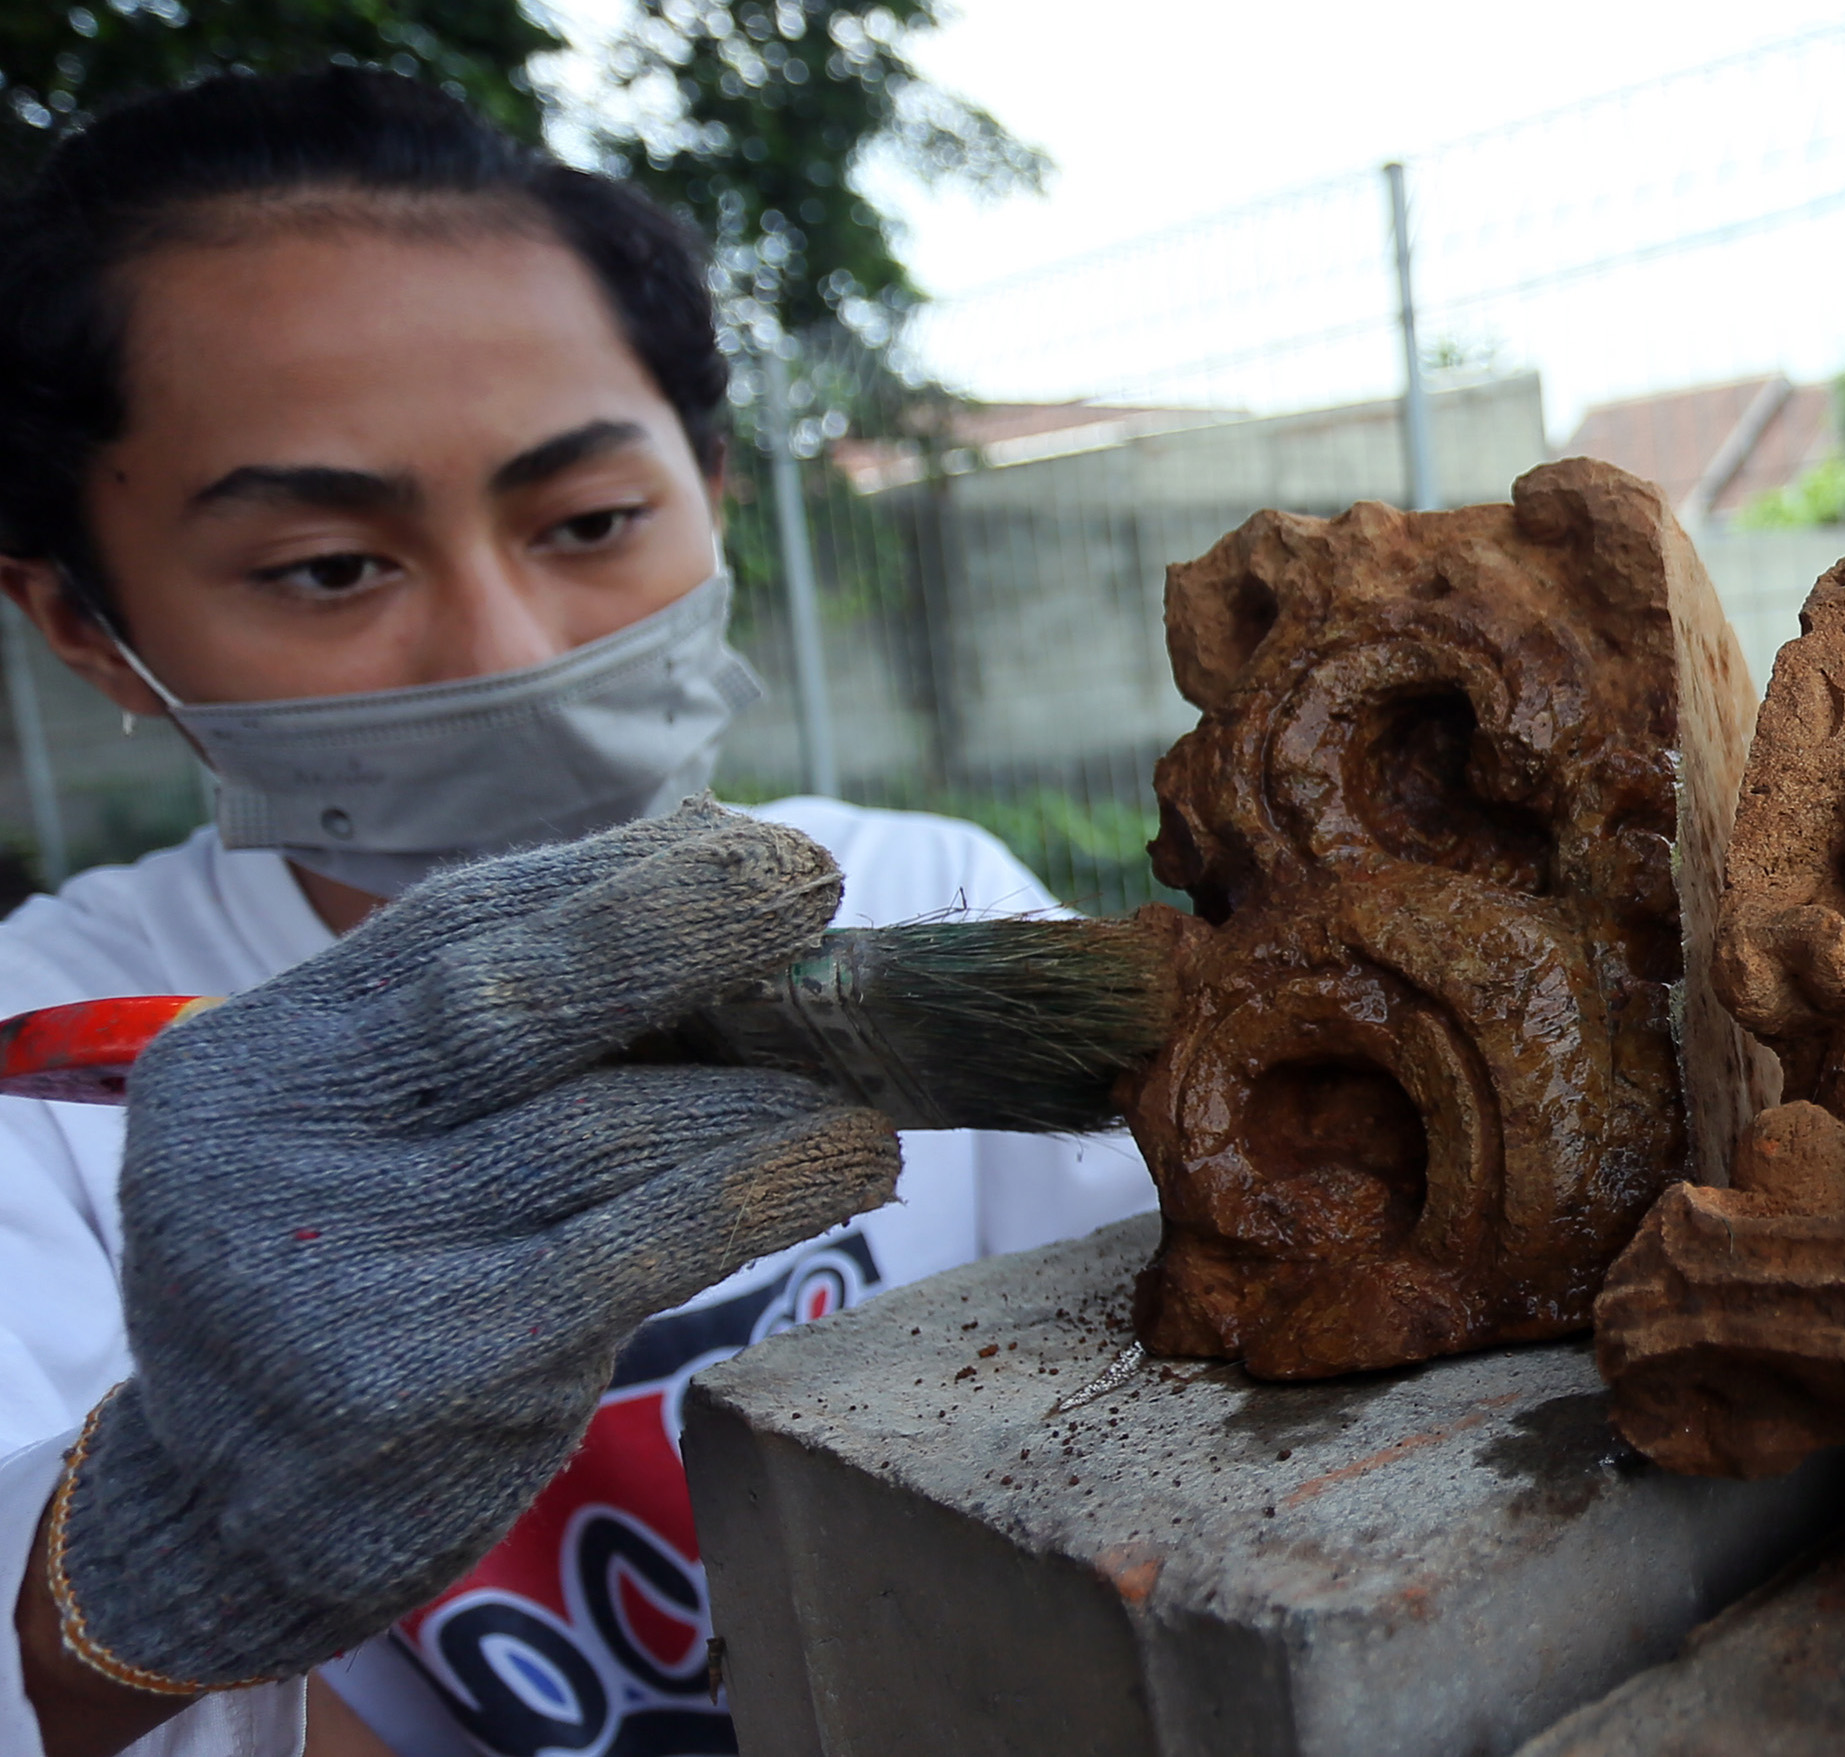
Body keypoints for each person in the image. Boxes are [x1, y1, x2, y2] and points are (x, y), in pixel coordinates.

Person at [0, 68, 1155, 1757]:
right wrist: (168, 1556)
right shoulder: (40, 1069)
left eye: (592, 520)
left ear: (711, 489)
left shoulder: (931, 896)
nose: (506, 653)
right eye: (330, 566)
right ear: (86, 628)